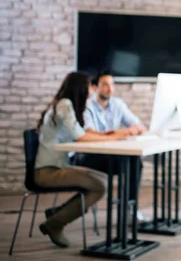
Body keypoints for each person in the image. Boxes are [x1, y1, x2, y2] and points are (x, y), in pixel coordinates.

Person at [35, 72, 140, 248]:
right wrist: (114, 137)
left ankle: (58, 214)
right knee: (100, 185)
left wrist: (109, 135)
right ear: (80, 89)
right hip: (48, 171)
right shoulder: (65, 105)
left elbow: (82, 132)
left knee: (103, 181)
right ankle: (56, 223)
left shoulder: (65, 104)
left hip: (57, 166)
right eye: (89, 87)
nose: (91, 91)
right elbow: (81, 137)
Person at [71, 69, 148, 221]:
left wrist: (135, 129)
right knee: (128, 162)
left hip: (110, 155)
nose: (110, 89)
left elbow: (138, 125)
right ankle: (124, 210)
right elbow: (90, 134)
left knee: (134, 161)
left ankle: (128, 208)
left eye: (112, 84)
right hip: (88, 157)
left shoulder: (117, 104)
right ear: (95, 88)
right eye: (105, 84)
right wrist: (123, 133)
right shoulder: (87, 106)